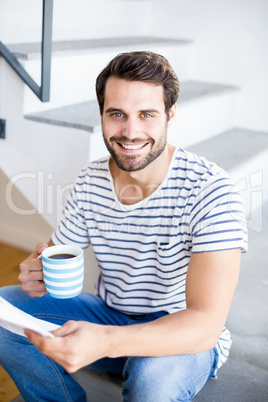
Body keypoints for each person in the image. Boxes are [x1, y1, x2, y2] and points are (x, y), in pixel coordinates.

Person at [0, 51, 247, 401]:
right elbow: (56, 254)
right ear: (101, 115)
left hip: (177, 332)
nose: (130, 132)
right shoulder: (90, 180)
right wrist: (36, 271)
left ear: (170, 115)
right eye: (117, 114)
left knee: (153, 383)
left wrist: (105, 341)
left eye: (146, 114)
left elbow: (205, 324)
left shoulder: (211, 191)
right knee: (3, 313)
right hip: (111, 314)